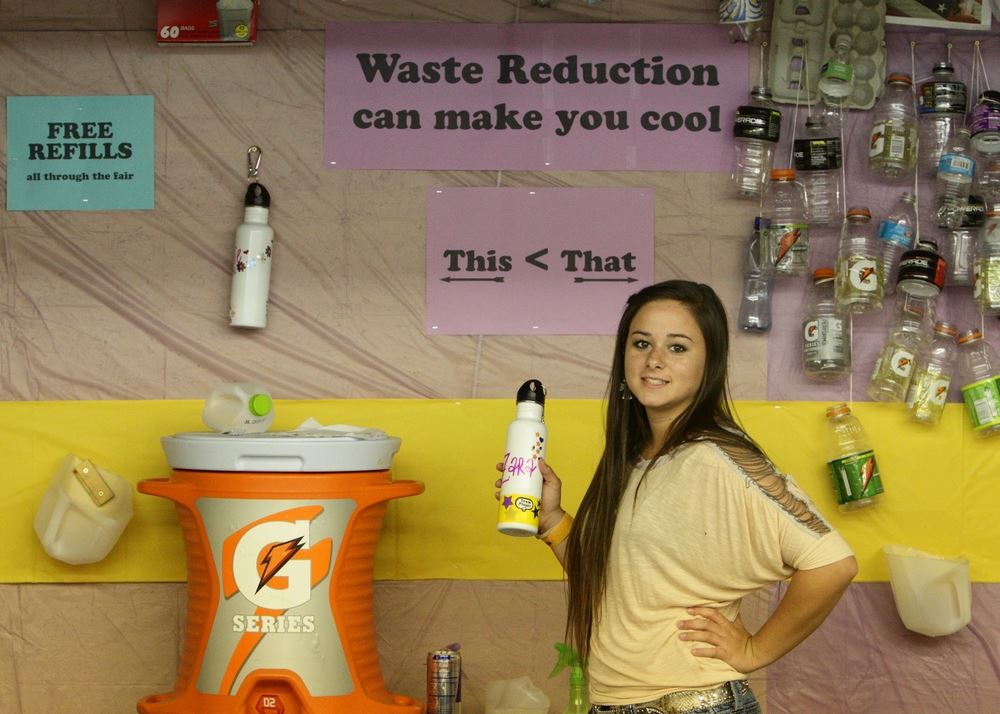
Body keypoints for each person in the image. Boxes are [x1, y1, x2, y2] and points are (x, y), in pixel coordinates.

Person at [501, 280, 857, 714]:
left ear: (710, 363)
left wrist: (755, 651)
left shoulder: (717, 457)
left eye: (678, 347)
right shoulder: (638, 460)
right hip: (618, 702)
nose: (654, 360)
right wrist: (551, 517)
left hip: (687, 704)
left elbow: (833, 564)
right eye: (642, 343)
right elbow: (618, 586)